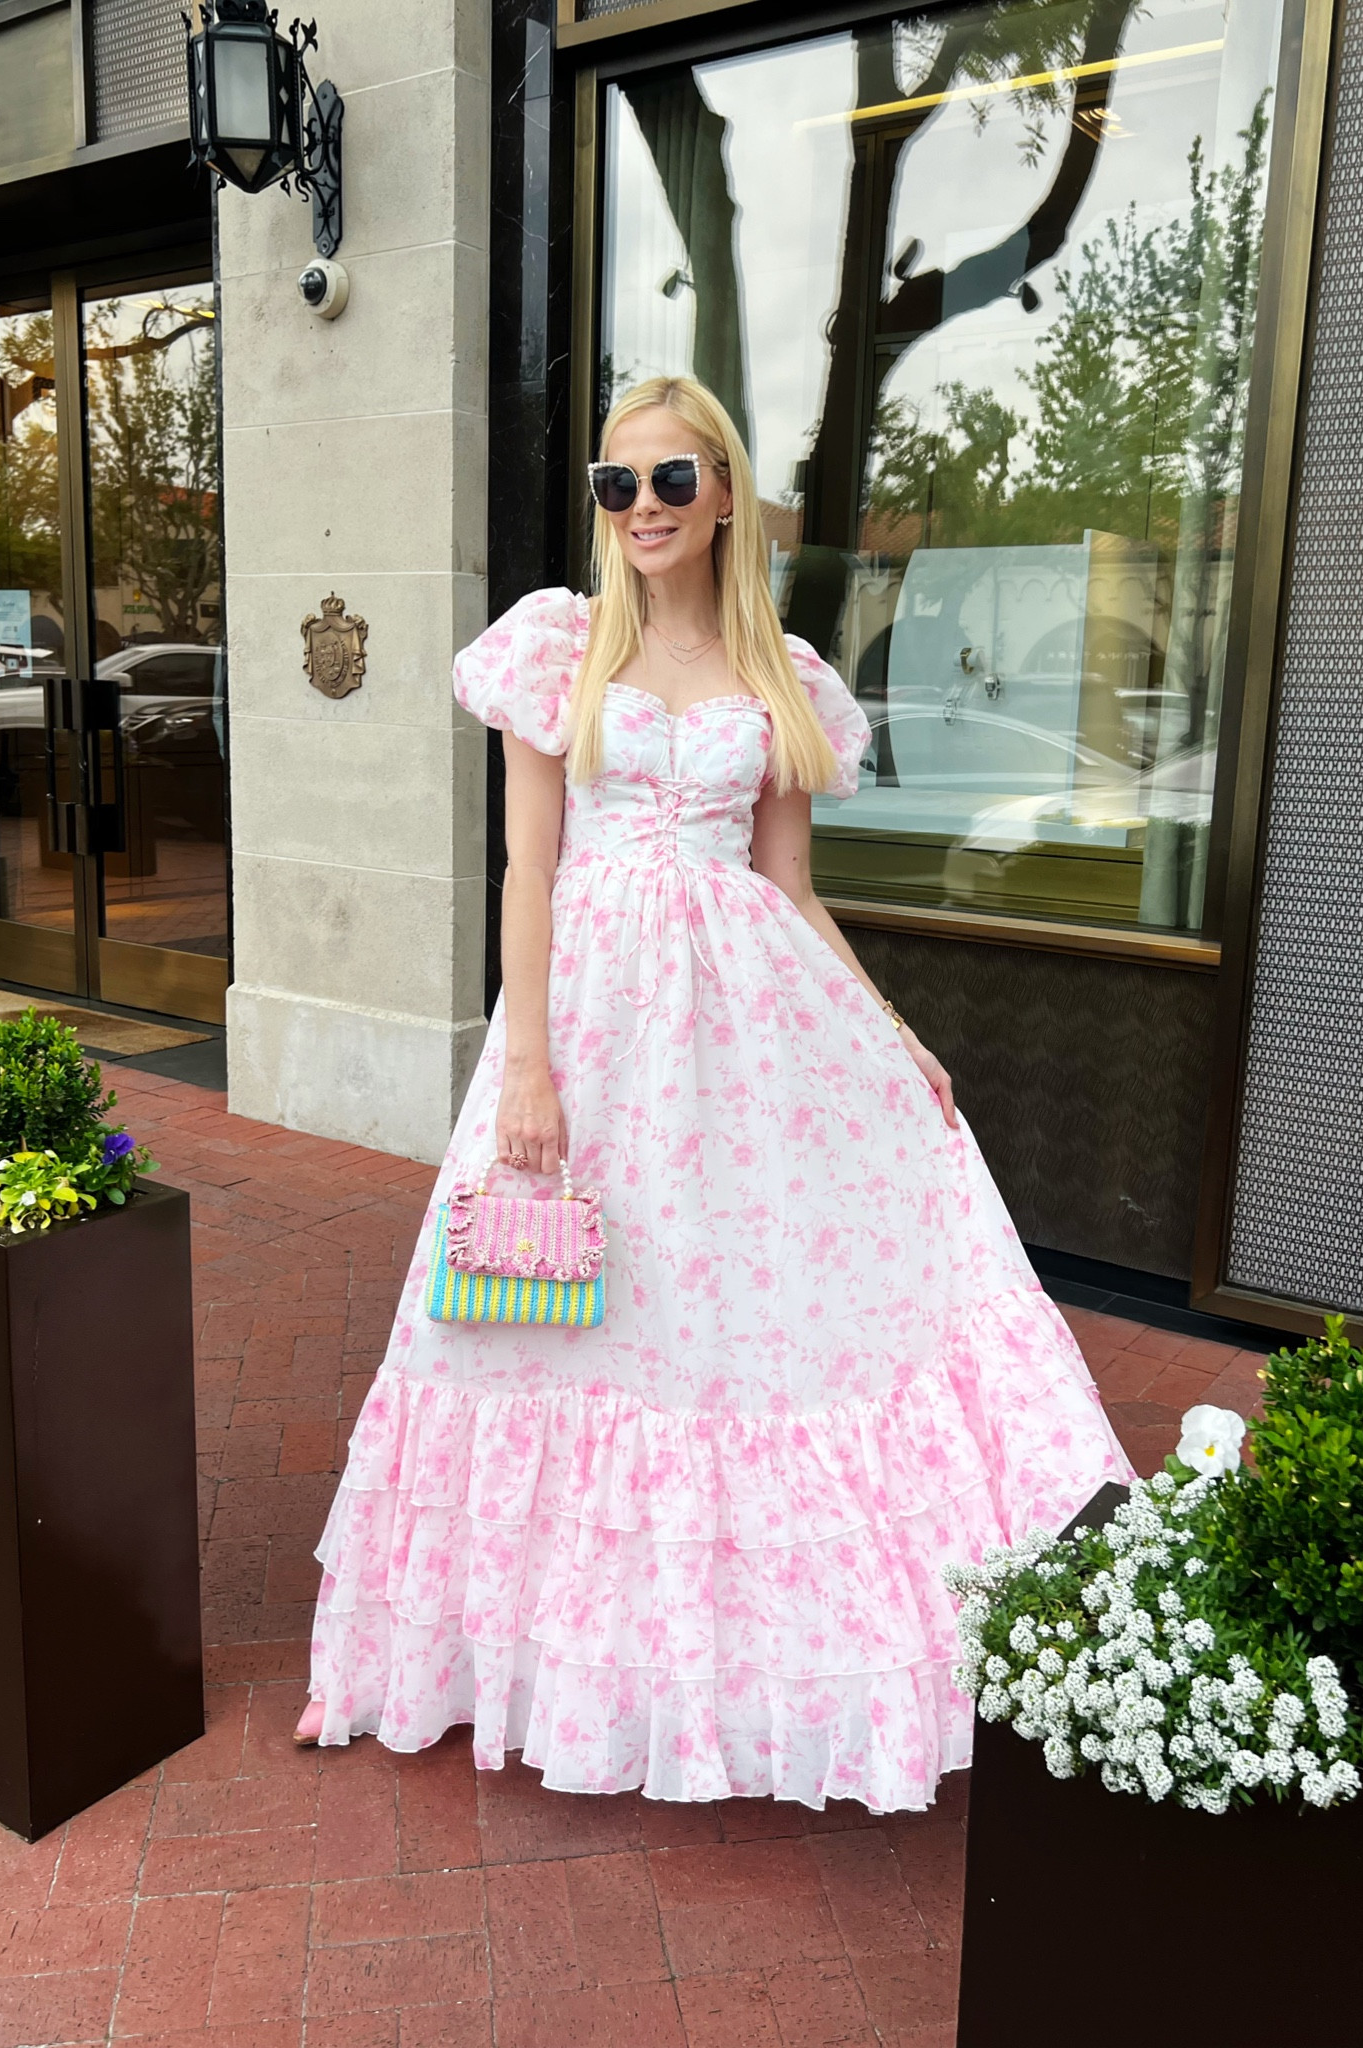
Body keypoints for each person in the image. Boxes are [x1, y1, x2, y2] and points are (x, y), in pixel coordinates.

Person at [291, 374, 1132, 1811]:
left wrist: (891, 1030)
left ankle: (748, 1683)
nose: (643, 512)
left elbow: (790, 886)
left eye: (672, 481)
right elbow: (528, 872)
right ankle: (453, 1654)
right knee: (548, 1329)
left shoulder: (781, 677)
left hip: (751, 1053)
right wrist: (532, 1069)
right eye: (618, 488)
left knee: (741, 1329)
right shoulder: (557, 656)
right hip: (594, 1041)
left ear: (727, 493)